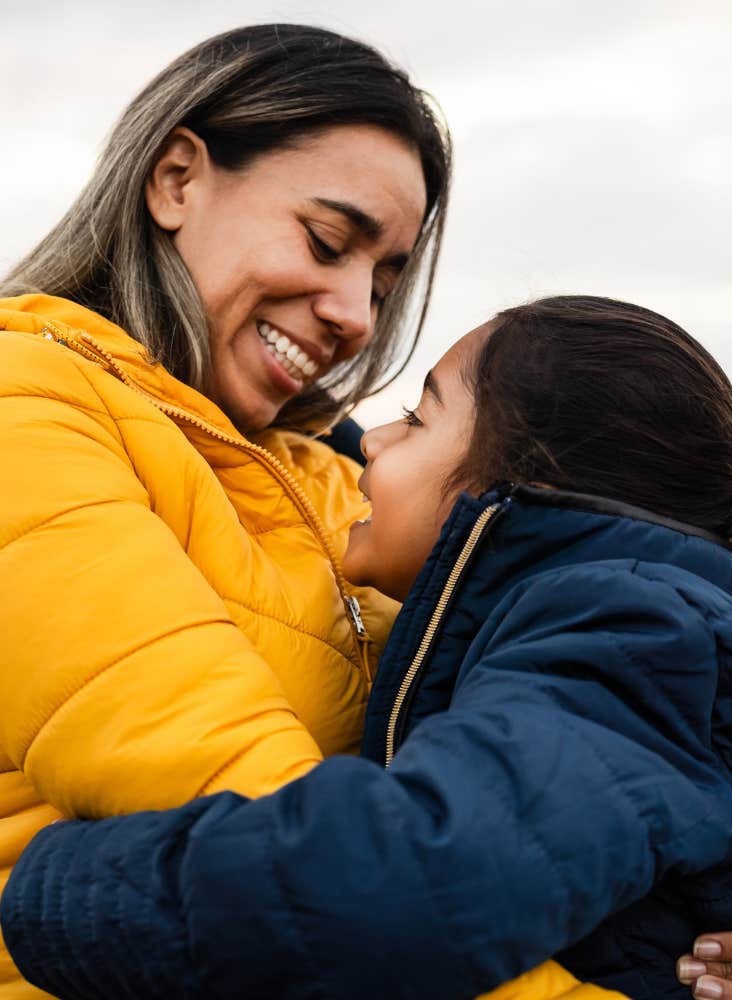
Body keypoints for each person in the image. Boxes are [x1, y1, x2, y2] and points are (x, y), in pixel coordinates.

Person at [7, 295, 732, 1000]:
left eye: (417, 417)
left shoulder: (634, 632)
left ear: (527, 482)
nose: (371, 439)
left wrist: (51, 893)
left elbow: (413, 881)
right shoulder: (629, 619)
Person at [0, 21, 452, 999]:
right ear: (174, 179)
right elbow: (251, 812)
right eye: (328, 241)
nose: (356, 315)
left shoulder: (332, 481)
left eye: (382, 280)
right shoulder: (23, 404)